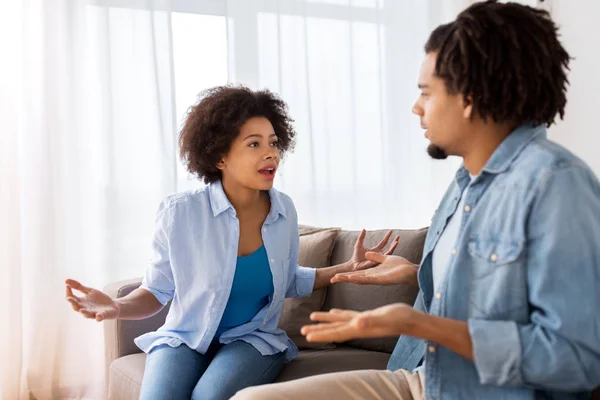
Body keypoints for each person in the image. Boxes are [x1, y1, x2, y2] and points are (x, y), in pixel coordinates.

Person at [233, 1, 600, 399]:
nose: (416, 107)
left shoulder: (556, 185)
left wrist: (418, 323)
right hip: (425, 380)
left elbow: (575, 361)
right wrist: (414, 271)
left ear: (469, 97)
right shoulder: (464, 185)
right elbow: (489, 283)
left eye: (426, 92)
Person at [64, 85, 398, 400]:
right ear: (219, 157)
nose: (271, 154)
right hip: (185, 336)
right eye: (254, 144)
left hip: (253, 340)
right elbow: (157, 291)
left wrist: (345, 269)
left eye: (273, 142)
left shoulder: (284, 212)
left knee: (209, 397)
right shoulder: (180, 213)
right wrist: (116, 307)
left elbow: (286, 280)